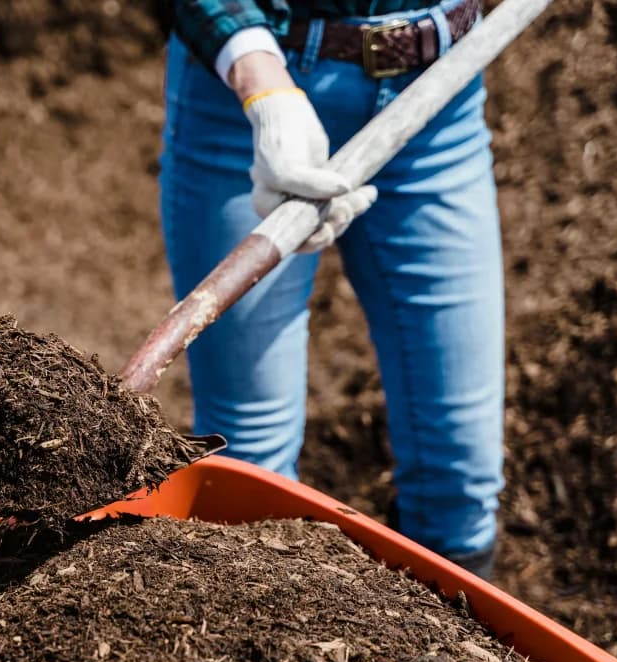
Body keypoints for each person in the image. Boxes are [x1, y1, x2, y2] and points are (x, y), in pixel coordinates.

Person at [162, 0, 501, 579]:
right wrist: (262, 84)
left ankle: (447, 661)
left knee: (461, 473)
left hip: (440, 94)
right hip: (252, 96)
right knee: (251, 464)